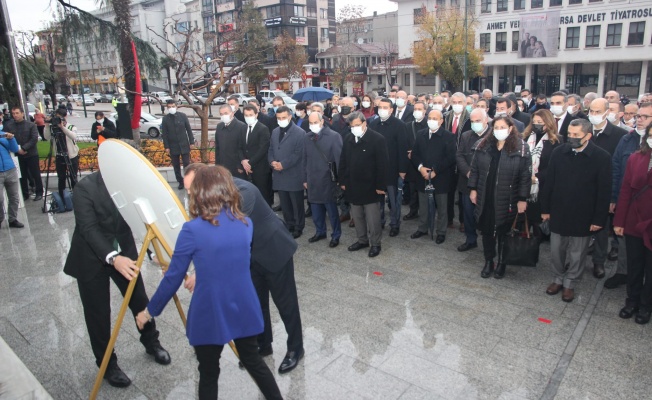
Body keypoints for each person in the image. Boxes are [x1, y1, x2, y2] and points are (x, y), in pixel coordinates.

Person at [137, 166, 282, 399]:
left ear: (201, 193)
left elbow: (174, 277)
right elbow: (226, 260)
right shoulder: (246, 223)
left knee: (208, 373)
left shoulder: (192, 230)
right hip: (243, 305)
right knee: (254, 362)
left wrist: (148, 311)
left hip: (210, 309)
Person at [182, 163, 304, 375]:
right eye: (188, 190)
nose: (192, 194)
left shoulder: (243, 192)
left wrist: (199, 272)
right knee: (257, 304)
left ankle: (296, 348)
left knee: (286, 304)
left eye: (193, 187)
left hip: (274, 251)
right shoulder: (210, 197)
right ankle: (263, 344)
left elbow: (223, 237)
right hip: (250, 258)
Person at [63, 171, 171, 388]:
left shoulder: (130, 182)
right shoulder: (85, 188)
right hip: (92, 257)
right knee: (98, 314)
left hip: (125, 250)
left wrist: (154, 251)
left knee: (140, 300)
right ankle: (108, 364)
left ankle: (152, 343)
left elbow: (143, 219)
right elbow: (88, 228)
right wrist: (113, 259)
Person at [541, 119, 611, 302]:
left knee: (578, 253)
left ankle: (570, 283)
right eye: (569, 134)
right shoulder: (559, 152)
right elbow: (549, 182)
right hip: (559, 211)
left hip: (584, 214)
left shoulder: (601, 157)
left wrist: (598, 219)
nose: (571, 138)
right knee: (556, 249)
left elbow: (604, 191)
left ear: (588, 136)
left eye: (576, 136)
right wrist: (545, 209)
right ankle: (557, 278)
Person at [468, 116, 531, 279]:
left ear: (510, 128)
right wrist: (473, 189)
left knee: (504, 231)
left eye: (503, 127)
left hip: (508, 197)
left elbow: (525, 176)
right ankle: (489, 260)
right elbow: (474, 169)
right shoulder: (484, 145)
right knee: (487, 231)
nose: (499, 130)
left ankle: (502, 262)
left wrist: (522, 199)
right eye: (496, 127)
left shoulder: (521, 148)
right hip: (486, 195)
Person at [607, 103, 652, 289]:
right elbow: (616, 168)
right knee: (626, 242)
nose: (639, 120)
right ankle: (624, 273)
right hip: (628, 202)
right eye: (638, 116)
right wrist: (613, 198)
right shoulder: (627, 139)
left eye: (645, 117)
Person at [613, 124, 652, 324]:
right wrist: (619, 221)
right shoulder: (636, 158)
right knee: (635, 265)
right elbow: (626, 190)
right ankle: (632, 300)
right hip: (634, 220)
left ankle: (646, 306)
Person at [588, 98, 628, 279]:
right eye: (591, 111)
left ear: (606, 112)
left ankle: (598, 262)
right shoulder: (583, 128)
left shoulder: (619, 135)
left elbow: (617, 167)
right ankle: (575, 260)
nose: (594, 115)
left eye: (598, 112)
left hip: (603, 188)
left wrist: (612, 197)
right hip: (581, 187)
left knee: (601, 228)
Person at [339, 112, 389, 257]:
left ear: (364, 123)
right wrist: (342, 181)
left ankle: (375, 243)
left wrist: (381, 186)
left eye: (357, 125)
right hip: (353, 186)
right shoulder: (348, 138)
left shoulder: (377, 139)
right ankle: (362, 240)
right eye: (351, 126)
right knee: (357, 216)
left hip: (371, 187)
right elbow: (343, 161)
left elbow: (383, 165)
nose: (354, 128)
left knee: (373, 219)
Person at [409, 109, 457, 243]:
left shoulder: (449, 136)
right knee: (423, 205)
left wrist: (435, 171)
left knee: (442, 207)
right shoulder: (421, 134)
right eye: (430, 117)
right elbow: (415, 153)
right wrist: (420, 168)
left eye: (435, 118)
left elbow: (450, 157)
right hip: (422, 176)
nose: (431, 120)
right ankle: (422, 228)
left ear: (441, 121)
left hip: (440, 177)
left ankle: (441, 232)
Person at [368, 98, 409, 237]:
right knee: (377, 199)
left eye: (385, 107)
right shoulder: (373, 124)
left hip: (393, 170)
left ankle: (395, 224)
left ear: (391, 110)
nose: (382, 109)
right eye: (380, 107)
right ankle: (379, 221)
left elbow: (403, 148)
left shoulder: (400, 125)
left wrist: (402, 170)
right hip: (376, 170)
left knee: (394, 200)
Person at [303, 112, 343, 247]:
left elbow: (339, 159)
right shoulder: (307, 137)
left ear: (322, 122)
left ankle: (336, 235)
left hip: (327, 180)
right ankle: (320, 231)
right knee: (315, 209)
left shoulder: (333, 136)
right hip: (312, 179)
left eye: (315, 122)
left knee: (331, 211)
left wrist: (339, 180)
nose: (313, 125)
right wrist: (304, 178)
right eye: (310, 123)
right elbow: (304, 159)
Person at [268, 106, 306, 238]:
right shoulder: (274, 131)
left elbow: (298, 154)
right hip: (279, 174)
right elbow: (271, 149)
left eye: (283, 118)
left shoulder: (299, 132)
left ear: (290, 117)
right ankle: (289, 224)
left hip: (293, 174)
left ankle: (298, 226)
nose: (281, 120)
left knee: (296, 204)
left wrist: (283, 164)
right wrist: (272, 161)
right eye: (278, 118)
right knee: (284, 203)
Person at [456, 109, 492, 251]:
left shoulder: (493, 136)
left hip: (486, 182)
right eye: (472, 121)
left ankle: (488, 240)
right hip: (467, 182)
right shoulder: (466, 136)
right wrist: (468, 172)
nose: (475, 124)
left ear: (486, 120)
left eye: (478, 121)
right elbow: (459, 156)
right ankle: (470, 239)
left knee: (486, 213)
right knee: (468, 213)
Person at [523, 109, 561, 236]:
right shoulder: (525, 137)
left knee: (538, 227)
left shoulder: (556, 141)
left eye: (540, 122)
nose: (536, 124)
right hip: (524, 186)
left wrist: (536, 178)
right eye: (534, 122)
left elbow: (554, 167)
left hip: (542, 188)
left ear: (548, 122)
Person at [3, 106, 43, 201]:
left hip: (31, 153)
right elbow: (5, 137)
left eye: (17, 113)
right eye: (13, 113)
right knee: (22, 175)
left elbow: (34, 138)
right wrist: (17, 149)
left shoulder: (30, 125)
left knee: (35, 174)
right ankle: (25, 194)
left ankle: (39, 192)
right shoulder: (9, 126)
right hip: (17, 153)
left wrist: (25, 148)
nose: (15, 115)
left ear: (22, 113)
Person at [239, 105, 273, 205]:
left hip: (260, 168)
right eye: (246, 115)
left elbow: (263, 149)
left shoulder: (263, 129)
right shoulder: (243, 128)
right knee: (249, 196)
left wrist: (249, 163)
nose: (248, 117)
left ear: (256, 114)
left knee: (263, 195)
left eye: (250, 115)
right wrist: (243, 161)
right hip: (246, 168)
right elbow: (240, 147)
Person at [403, 101, 429, 221]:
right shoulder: (408, 125)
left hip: (426, 162)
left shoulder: (429, 125)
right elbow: (405, 142)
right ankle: (413, 210)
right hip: (412, 162)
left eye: (420, 109)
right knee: (413, 188)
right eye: (415, 109)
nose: (417, 111)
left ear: (425, 111)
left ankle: (427, 212)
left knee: (425, 189)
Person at [161, 99, 195, 189]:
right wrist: (166, 146)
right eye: (169, 107)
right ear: (167, 108)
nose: (171, 108)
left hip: (184, 144)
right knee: (176, 165)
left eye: (173, 106)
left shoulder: (183, 116)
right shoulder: (165, 119)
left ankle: (188, 181)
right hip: (173, 146)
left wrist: (191, 141)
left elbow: (189, 129)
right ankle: (180, 181)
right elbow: (164, 134)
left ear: (176, 106)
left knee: (186, 164)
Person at [50, 107, 80, 199]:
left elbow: (74, 136)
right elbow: (47, 137)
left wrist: (62, 128)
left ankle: (77, 196)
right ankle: (62, 196)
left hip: (72, 155)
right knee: (61, 178)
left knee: (73, 177)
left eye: (61, 118)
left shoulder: (71, 127)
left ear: (65, 117)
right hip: (60, 155)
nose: (59, 120)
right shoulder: (54, 127)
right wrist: (48, 125)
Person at [215, 104, 247, 179]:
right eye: (221, 114)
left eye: (226, 113)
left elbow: (244, 148)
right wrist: (217, 166)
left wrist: (240, 166)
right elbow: (218, 148)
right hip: (223, 167)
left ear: (232, 113)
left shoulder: (241, 126)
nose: (223, 115)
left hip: (236, 168)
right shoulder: (219, 126)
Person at [0, 127, 23, 228]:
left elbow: (14, 149)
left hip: (10, 169)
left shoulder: (4, 135)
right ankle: (0, 218)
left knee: (14, 197)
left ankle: (12, 219)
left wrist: (11, 139)